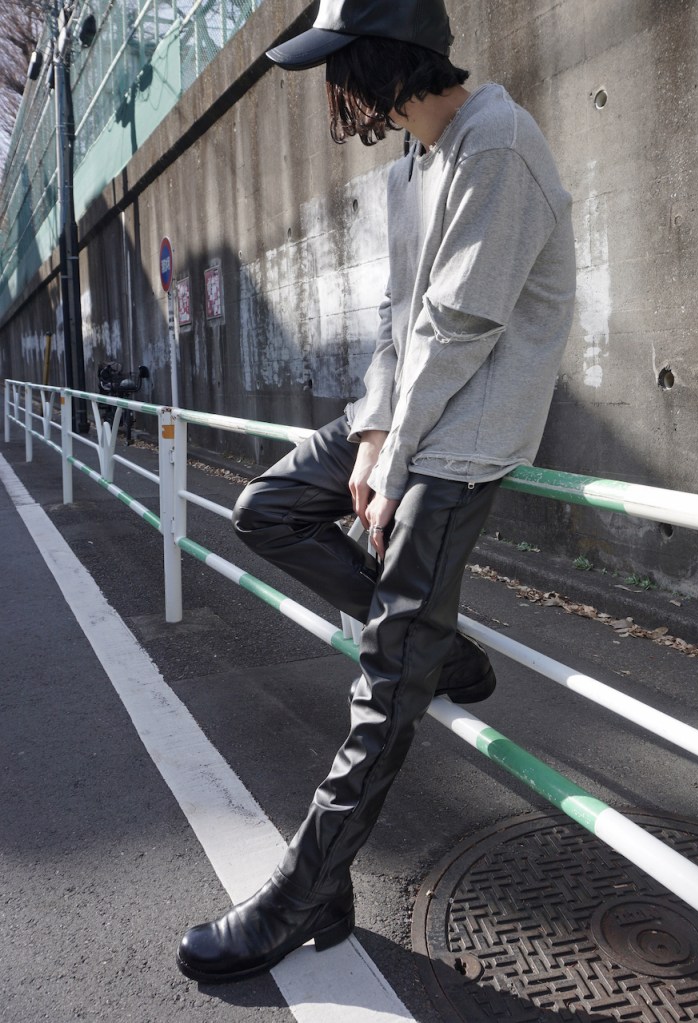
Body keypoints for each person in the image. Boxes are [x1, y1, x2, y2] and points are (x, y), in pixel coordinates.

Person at [176, 0, 576, 984]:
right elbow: (400, 318)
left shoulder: (497, 145)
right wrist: (368, 433)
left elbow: (460, 328)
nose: (336, 89)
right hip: (407, 417)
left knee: (386, 682)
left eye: (342, 65)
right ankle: (436, 644)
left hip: (467, 433)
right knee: (267, 508)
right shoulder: (413, 163)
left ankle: (307, 888)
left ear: (388, 59)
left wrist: (391, 465)